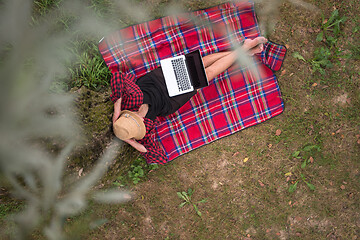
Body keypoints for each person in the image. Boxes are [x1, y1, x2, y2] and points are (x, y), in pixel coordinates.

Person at [111, 36, 267, 164]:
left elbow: (117, 76)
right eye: (140, 125)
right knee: (208, 73)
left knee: (200, 64)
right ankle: (243, 51)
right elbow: (159, 157)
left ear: (127, 113)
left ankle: (244, 50)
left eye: (137, 119)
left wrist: (117, 107)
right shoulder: (146, 128)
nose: (142, 119)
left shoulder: (131, 99)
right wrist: (132, 141)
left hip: (160, 79)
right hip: (171, 100)